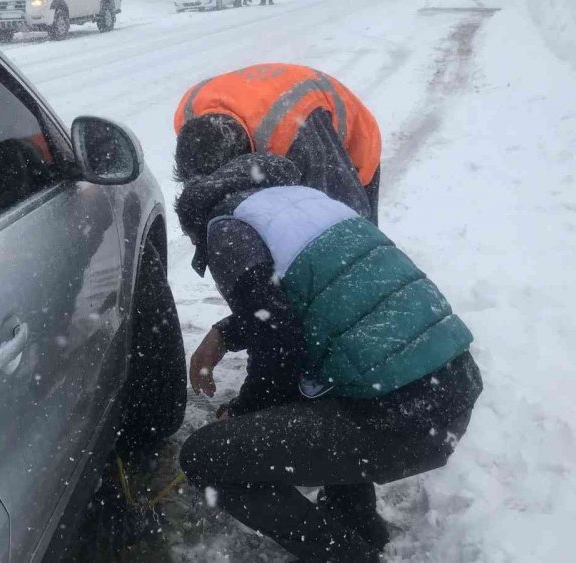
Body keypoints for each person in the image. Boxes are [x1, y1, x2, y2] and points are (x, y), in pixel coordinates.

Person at [173, 151, 483, 561]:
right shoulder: (305, 201)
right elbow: (314, 302)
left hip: (403, 418)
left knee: (206, 457)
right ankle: (356, 522)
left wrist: (245, 410)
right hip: (450, 387)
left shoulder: (224, 230)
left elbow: (278, 341)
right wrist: (226, 333)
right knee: (321, 380)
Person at [174, 63, 381, 226]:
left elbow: (348, 213)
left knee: (348, 242)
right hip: (266, 100)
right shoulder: (188, 114)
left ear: (246, 160)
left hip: (348, 147)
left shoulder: (294, 135)